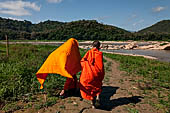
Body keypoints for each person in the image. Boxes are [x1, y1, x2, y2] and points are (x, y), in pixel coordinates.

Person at [79, 40, 105, 108]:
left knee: (89, 87)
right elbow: (101, 65)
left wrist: (87, 65)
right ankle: (98, 97)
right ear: (99, 46)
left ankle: (92, 103)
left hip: (89, 72)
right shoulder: (100, 53)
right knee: (98, 85)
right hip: (97, 72)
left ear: (92, 46)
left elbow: (82, 61)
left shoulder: (89, 52)